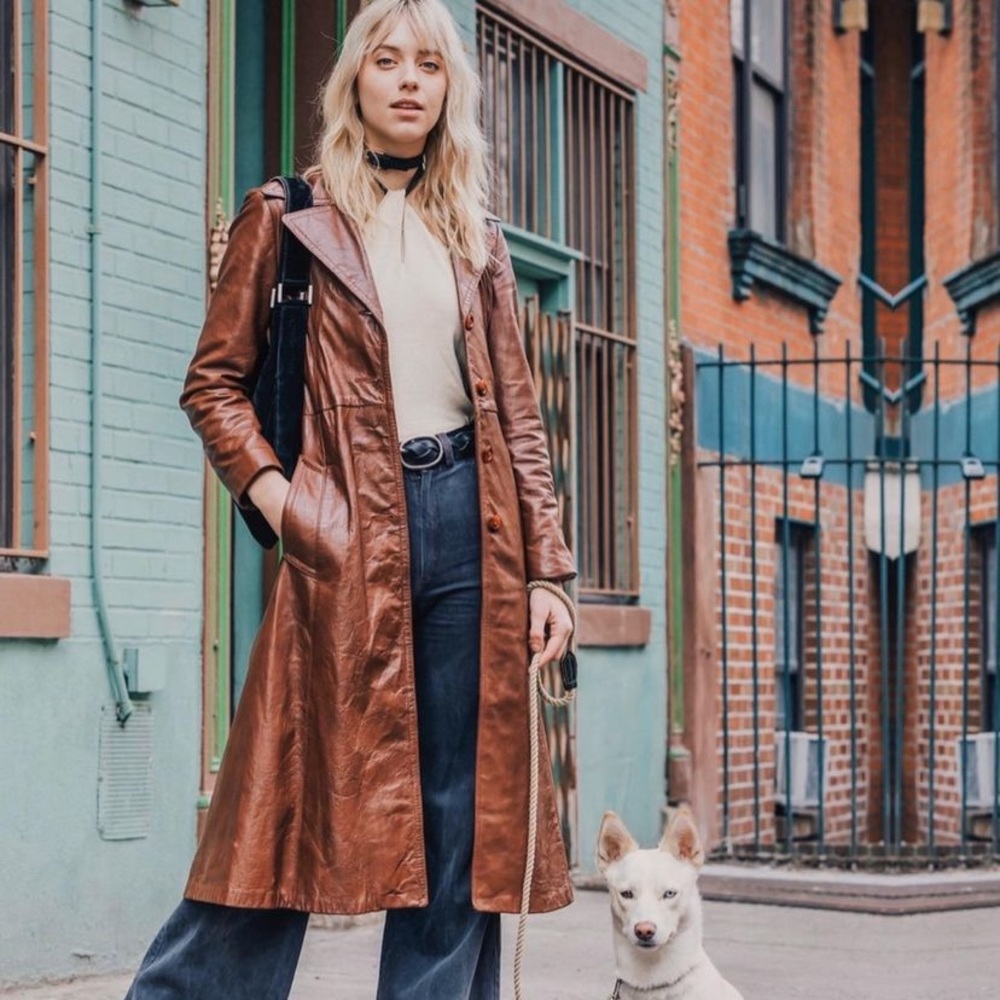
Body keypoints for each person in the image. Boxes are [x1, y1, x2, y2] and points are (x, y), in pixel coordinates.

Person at [124, 0, 576, 997]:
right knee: (280, 800)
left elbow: (521, 424)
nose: (409, 79)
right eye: (387, 60)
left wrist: (549, 569)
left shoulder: (477, 236)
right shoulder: (287, 216)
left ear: (449, 88)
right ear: (354, 82)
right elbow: (213, 383)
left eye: (428, 63)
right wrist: (287, 503)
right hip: (342, 534)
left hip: (474, 527)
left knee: (458, 808)